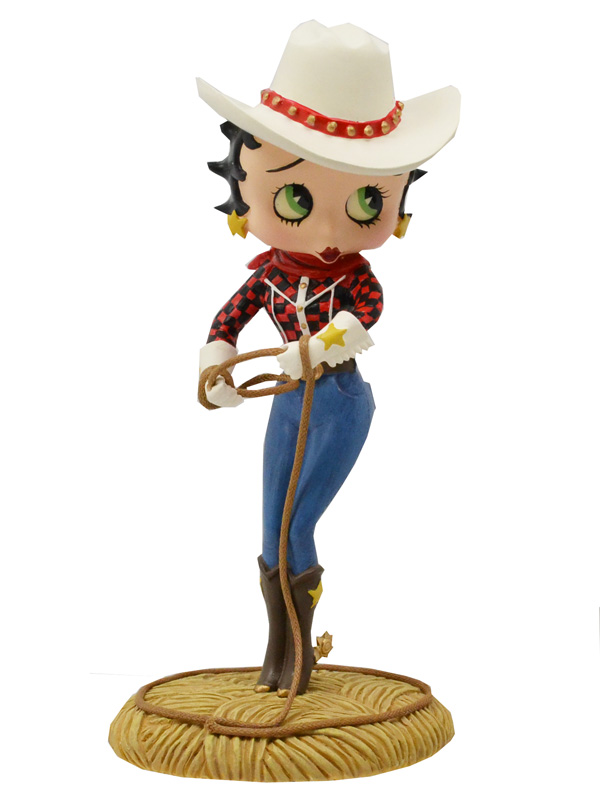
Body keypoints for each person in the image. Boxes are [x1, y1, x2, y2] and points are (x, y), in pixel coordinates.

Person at [196, 21, 460, 696]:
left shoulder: (358, 281)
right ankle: (278, 651)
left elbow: (363, 316)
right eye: (295, 197)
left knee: (296, 524)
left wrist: (311, 352)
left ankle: (299, 657)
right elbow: (228, 321)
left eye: (368, 199)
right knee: (270, 528)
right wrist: (217, 365)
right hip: (289, 404)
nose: (327, 229)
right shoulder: (267, 277)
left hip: (338, 402)